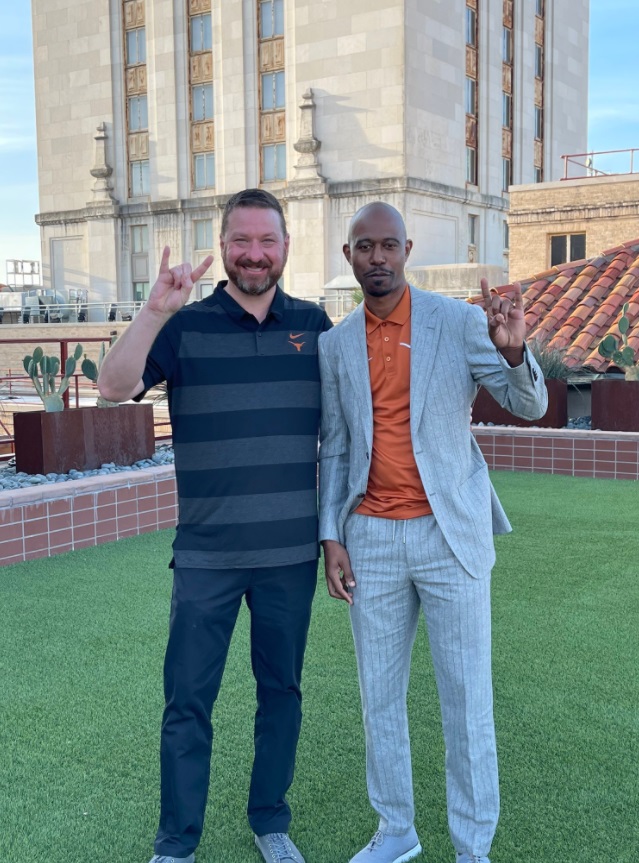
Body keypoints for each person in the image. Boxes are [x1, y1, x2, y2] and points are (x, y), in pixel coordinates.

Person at [98, 188, 332, 863]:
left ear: (285, 247)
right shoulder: (182, 325)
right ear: (222, 243)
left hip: (289, 554)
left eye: (267, 241)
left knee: (280, 692)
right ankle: (176, 843)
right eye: (242, 241)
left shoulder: (317, 327)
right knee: (188, 700)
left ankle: (269, 820)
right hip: (206, 556)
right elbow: (113, 386)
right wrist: (151, 310)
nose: (254, 254)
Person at [318, 202, 547, 863]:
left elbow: (527, 405)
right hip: (371, 541)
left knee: (466, 699)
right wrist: (331, 534)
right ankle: (396, 831)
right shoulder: (336, 345)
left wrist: (514, 352)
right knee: (378, 698)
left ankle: (471, 847)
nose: (378, 258)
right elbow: (334, 446)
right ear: (349, 256)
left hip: (450, 535)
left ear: (407, 249)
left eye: (389, 245)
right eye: (365, 247)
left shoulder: (455, 321)